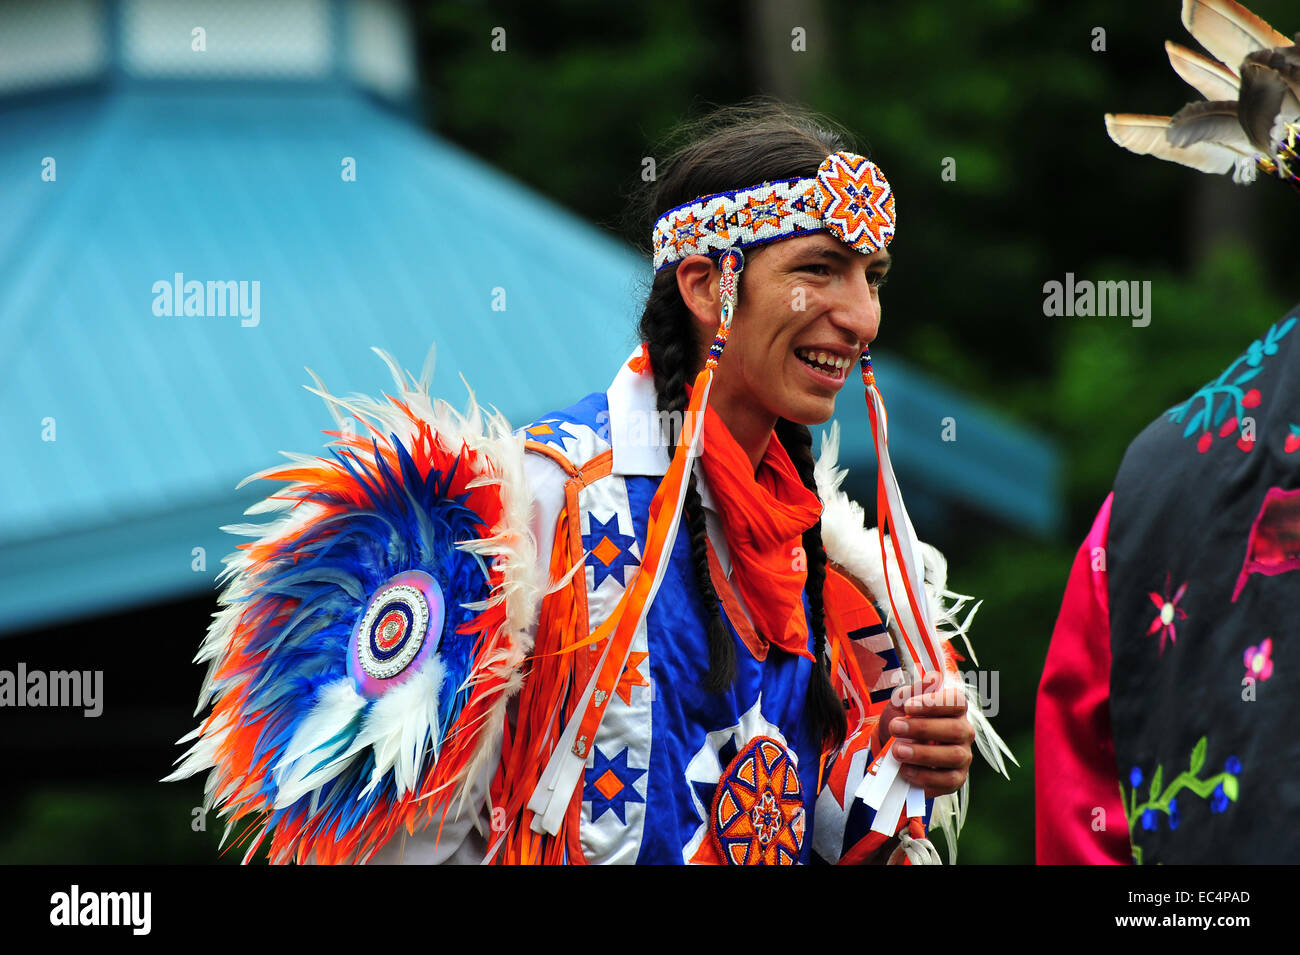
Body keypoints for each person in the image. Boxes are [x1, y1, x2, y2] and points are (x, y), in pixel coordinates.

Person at [168, 103, 1005, 865]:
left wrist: (905, 762)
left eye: (873, 277)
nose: (860, 317)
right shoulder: (527, 512)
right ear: (708, 284)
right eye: (819, 269)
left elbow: (812, 833)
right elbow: (398, 849)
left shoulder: (830, 565)